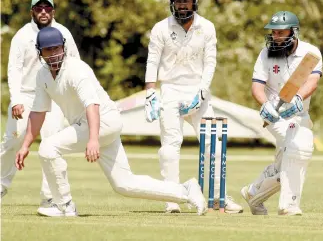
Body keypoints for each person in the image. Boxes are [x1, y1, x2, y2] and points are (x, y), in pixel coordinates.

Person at [14, 27, 207, 217]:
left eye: (57, 48)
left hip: (102, 122)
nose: (54, 53)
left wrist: (93, 139)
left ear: (64, 48)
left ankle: (63, 205)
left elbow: (92, 105)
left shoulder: (76, 69)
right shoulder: (42, 75)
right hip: (96, 125)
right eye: (49, 49)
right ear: (40, 52)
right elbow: (38, 112)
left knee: (48, 148)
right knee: (124, 184)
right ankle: (186, 191)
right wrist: (25, 146)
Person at [144, 0, 243, 214]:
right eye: (178, 2)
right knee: (169, 147)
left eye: (186, 1)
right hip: (170, 90)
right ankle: (171, 199)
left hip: (198, 90)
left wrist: (201, 91)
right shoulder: (160, 28)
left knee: (214, 145)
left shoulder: (207, 27)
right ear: (172, 3)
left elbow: (210, 62)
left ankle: (219, 198)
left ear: (194, 2)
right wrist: (150, 92)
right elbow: (152, 60)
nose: (182, 5)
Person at [0, 0, 80, 211]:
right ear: (32, 12)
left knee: (50, 146)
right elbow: (14, 70)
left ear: (53, 11)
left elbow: (75, 64)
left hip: (53, 97)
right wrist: (15, 99)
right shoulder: (22, 35)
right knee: (11, 143)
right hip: (25, 96)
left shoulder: (63, 33)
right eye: (39, 8)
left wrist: (71, 98)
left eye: (47, 8)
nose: (43, 12)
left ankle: (51, 197)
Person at [241, 11, 323, 216]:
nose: (275, 37)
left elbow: (312, 82)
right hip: (275, 116)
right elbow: (257, 87)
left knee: (287, 160)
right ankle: (288, 205)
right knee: (299, 147)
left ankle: (253, 192)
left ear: (293, 32)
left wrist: (298, 98)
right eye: (273, 32)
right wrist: (265, 104)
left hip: (299, 113)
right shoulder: (265, 53)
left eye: (280, 33)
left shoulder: (311, 53)